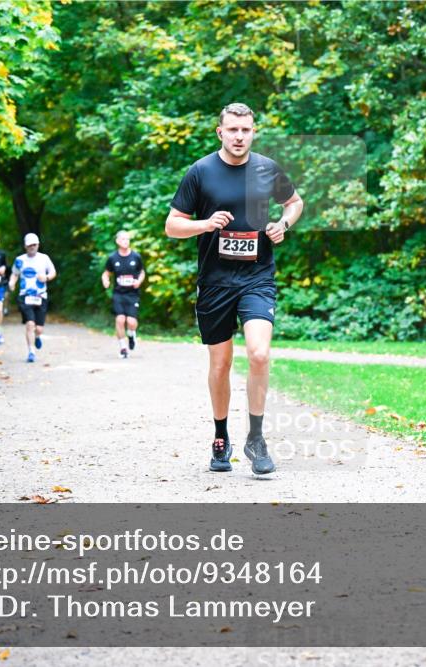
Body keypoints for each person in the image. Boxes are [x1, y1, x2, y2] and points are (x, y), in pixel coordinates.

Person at [165, 102, 303, 475]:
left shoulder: (266, 169)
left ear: (253, 131)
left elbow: (294, 202)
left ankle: (256, 439)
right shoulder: (201, 172)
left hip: (257, 277)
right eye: (233, 130)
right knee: (221, 363)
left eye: (246, 130)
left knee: (259, 354)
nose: (239, 136)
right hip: (215, 282)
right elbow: (172, 225)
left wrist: (283, 225)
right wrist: (205, 224)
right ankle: (221, 437)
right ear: (220, 132)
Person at [7, 233, 57, 363]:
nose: (32, 247)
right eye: (29, 245)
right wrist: (12, 282)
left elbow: (53, 272)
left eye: (34, 244)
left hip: (41, 296)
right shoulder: (20, 260)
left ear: (38, 245)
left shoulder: (44, 258)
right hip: (25, 296)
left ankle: (38, 336)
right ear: (25, 246)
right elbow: (14, 274)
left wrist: (46, 278)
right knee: (30, 324)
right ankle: (31, 351)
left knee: (39, 328)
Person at [101, 230, 146, 359]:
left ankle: (131, 335)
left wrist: (139, 281)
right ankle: (123, 348)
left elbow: (142, 272)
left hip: (132, 294)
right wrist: (105, 280)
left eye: (127, 239)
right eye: (123, 239)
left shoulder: (136, 256)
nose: (126, 241)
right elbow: (106, 273)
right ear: (117, 241)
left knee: (131, 322)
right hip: (118, 294)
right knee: (120, 320)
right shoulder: (113, 258)